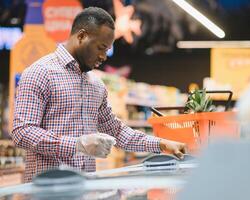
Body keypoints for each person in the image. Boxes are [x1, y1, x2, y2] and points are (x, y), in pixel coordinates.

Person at [11, 7, 186, 182]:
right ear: (81, 36)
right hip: (47, 190)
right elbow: (22, 132)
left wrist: (161, 143)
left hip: (86, 188)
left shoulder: (96, 85)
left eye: (107, 50)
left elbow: (117, 132)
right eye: (101, 48)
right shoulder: (39, 73)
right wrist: (77, 144)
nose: (103, 56)